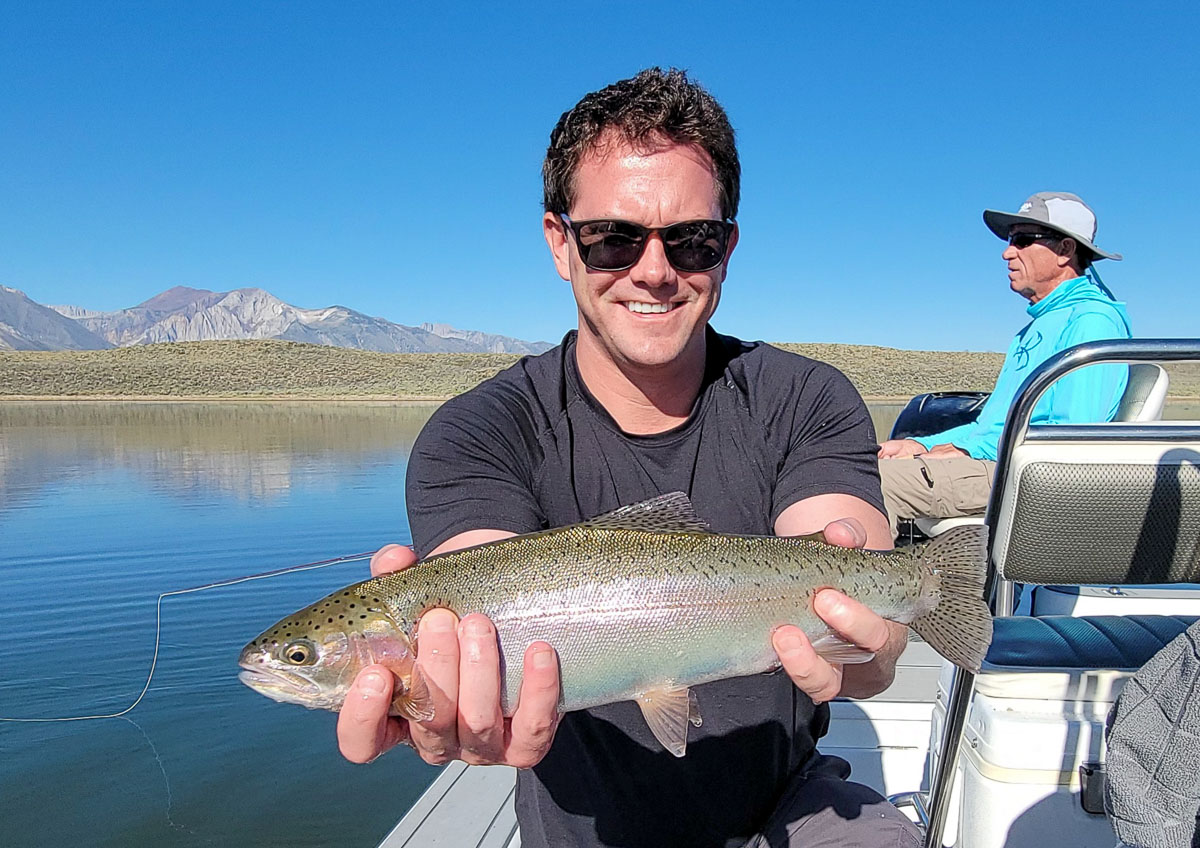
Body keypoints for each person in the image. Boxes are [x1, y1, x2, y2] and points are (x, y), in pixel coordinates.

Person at [336, 68, 918, 848]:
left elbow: (858, 588)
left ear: (728, 247)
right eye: (613, 237)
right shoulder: (476, 433)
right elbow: (481, 582)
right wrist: (455, 692)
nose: (654, 269)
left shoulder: (804, 397)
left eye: (692, 240)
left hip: (791, 806)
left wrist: (874, 640)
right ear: (559, 243)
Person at [877, 191, 1132, 538]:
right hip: (998, 463)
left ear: (1066, 251)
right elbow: (991, 425)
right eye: (1011, 241)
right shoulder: (1037, 328)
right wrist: (920, 445)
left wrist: (968, 450)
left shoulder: (1092, 321)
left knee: (875, 484)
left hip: (1019, 473)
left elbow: (1071, 435)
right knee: (860, 466)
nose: (1007, 252)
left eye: (1023, 240)